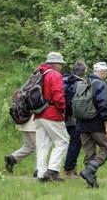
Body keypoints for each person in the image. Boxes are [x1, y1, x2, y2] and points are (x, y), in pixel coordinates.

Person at [77, 62, 107, 188]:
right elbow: (103, 107)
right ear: (102, 72)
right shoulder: (101, 84)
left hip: (81, 124)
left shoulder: (82, 82)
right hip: (96, 124)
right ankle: (89, 171)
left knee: (89, 154)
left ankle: (91, 183)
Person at [34, 52, 69, 182]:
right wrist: (62, 110)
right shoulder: (54, 74)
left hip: (38, 113)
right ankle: (52, 170)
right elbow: (58, 95)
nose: (61, 66)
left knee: (43, 145)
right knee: (63, 141)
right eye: (60, 63)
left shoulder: (39, 73)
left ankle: (41, 174)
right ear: (55, 63)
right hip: (52, 113)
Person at [63, 61, 87, 179]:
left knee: (69, 143)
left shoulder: (66, 81)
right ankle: (69, 170)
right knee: (75, 144)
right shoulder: (81, 84)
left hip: (64, 117)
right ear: (83, 72)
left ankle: (70, 167)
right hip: (76, 118)